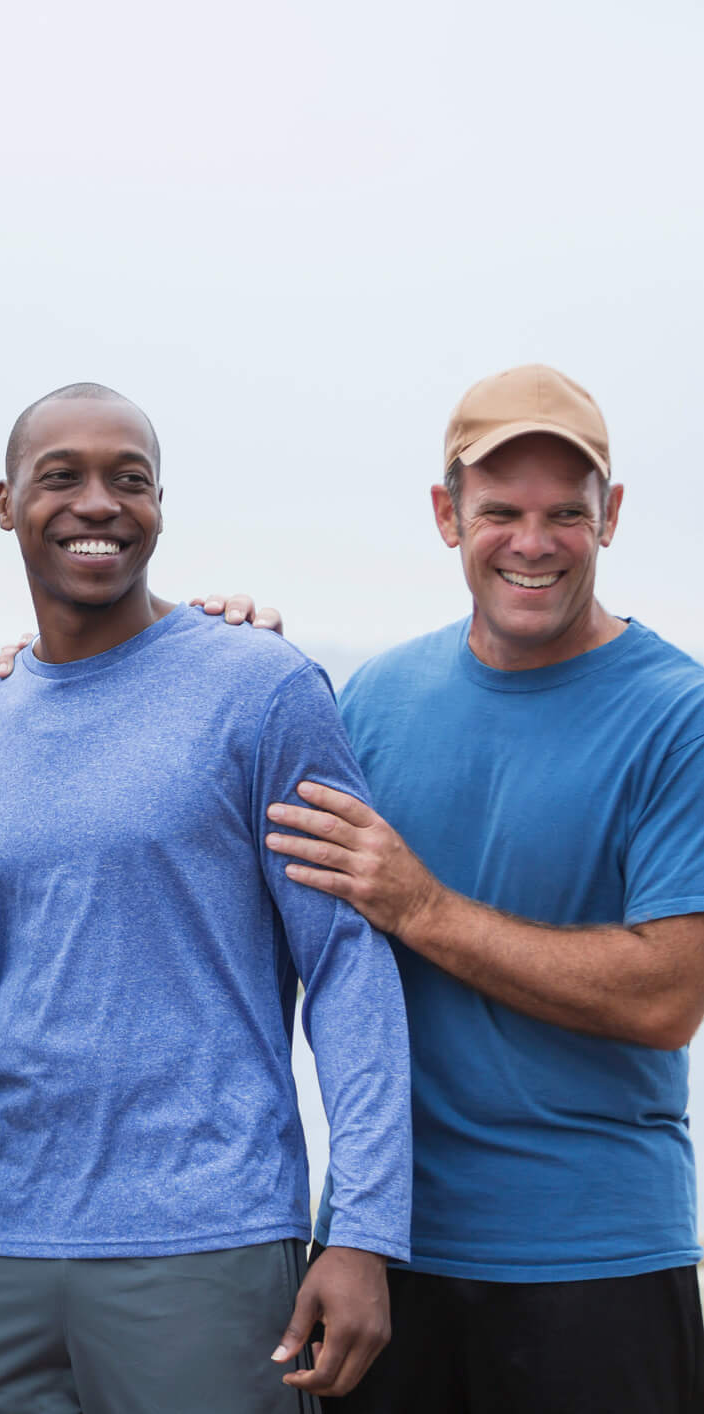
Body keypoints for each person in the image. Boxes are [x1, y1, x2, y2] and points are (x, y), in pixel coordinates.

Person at [0, 383, 412, 1412]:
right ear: (5, 502)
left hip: (207, 1237)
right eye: (61, 477)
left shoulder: (263, 689)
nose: (98, 503)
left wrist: (364, 1233)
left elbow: (346, 961)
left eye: (129, 479)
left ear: (161, 504)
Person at [261, 364, 704, 1412]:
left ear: (614, 517)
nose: (534, 543)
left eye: (566, 514)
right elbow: (295, 958)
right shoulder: (374, 698)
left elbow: (665, 996)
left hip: (600, 1263)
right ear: (445, 515)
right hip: (387, 1257)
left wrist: (422, 905)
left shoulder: (677, 715)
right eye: (500, 511)